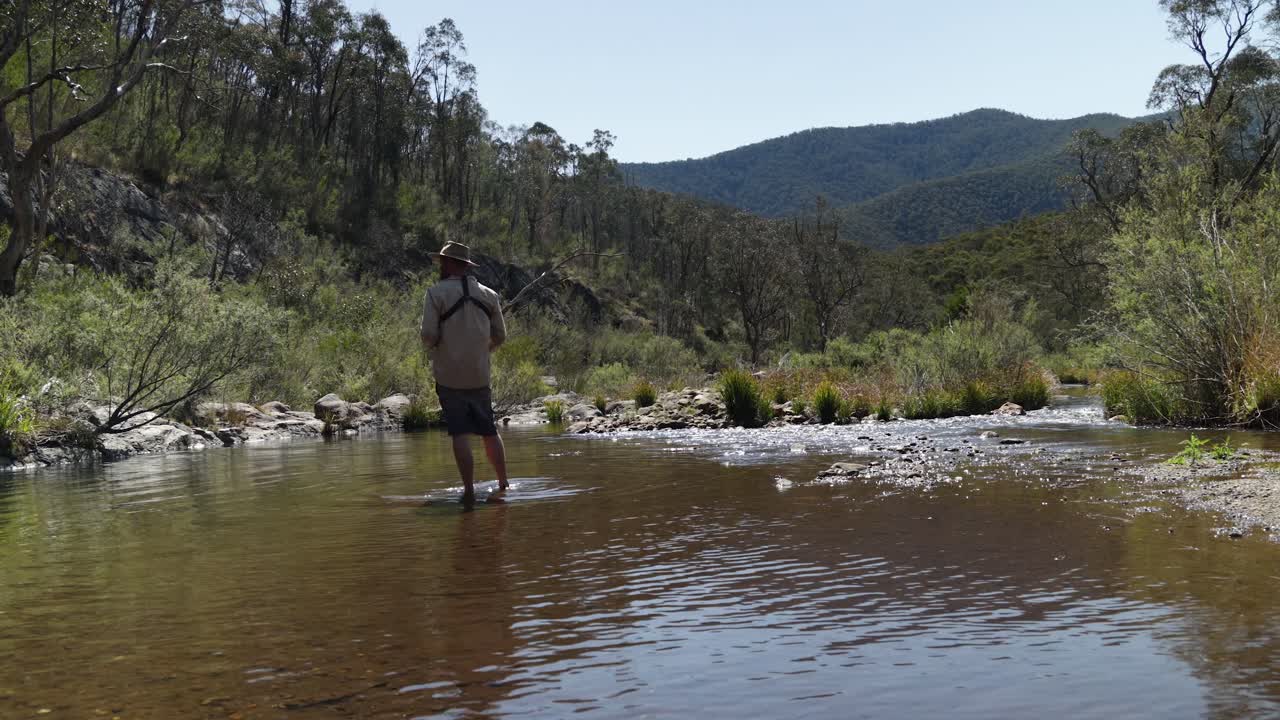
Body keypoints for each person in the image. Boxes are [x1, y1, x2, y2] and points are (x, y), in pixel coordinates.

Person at [420, 241, 509, 505]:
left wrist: (438, 346)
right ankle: (503, 482)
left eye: (442, 262)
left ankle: (469, 490)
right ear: (467, 265)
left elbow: (428, 335)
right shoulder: (489, 295)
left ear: (448, 264)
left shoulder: (435, 293)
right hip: (479, 374)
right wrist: (482, 352)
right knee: (489, 430)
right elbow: (500, 336)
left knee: (459, 433)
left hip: (449, 376)